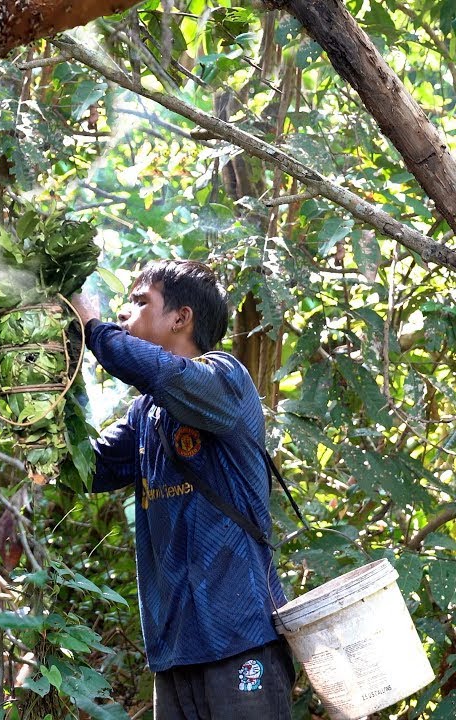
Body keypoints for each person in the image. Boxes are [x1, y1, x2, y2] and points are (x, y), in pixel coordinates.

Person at [69, 260, 295, 719]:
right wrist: (48, 388)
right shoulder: (145, 414)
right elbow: (85, 470)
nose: (125, 315)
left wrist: (91, 326)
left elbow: (157, 371)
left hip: (241, 638)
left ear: (181, 317)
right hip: (174, 652)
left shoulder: (225, 378)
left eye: (139, 302)